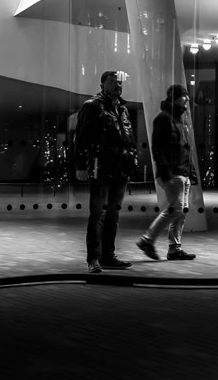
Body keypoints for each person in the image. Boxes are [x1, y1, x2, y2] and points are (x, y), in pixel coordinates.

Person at [74, 70, 137, 273]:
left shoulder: (122, 109)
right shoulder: (92, 106)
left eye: (119, 83)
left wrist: (132, 161)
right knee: (98, 214)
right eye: (112, 82)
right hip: (101, 167)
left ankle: (108, 256)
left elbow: (129, 138)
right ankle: (94, 258)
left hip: (121, 168)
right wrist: (81, 166)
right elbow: (81, 138)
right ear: (102, 85)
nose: (117, 85)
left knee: (113, 214)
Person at [137, 84, 198, 261]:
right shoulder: (164, 119)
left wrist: (191, 171)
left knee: (181, 211)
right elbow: (157, 148)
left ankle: (174, 248)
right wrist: (165, 172)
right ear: (176, 98)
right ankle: (147, 240)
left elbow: (185, 148)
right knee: (176, 209)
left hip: (182, 172)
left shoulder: (179, 119)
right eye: (184, 96)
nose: (187, 99)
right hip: (173, 173)